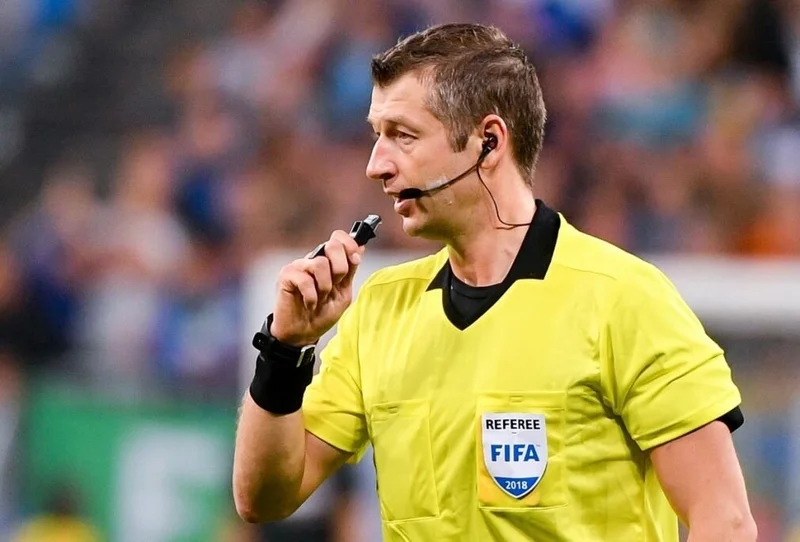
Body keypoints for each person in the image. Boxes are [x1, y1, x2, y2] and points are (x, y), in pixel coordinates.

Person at [233, 23, 757, 541]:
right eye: (377, 136)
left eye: (403, 136)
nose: (376, 165)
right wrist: (286, 349)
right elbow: (264, 498)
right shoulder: (380, 309)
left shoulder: (622, 298)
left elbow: (725, 521)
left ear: (489, 141)